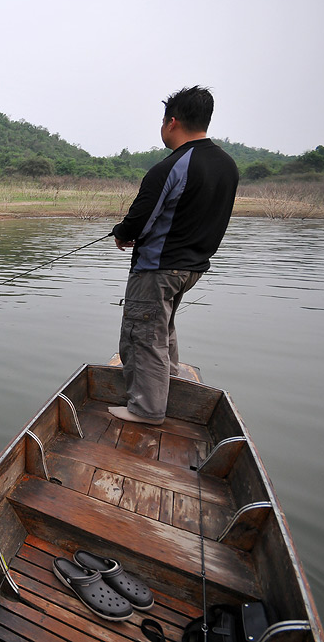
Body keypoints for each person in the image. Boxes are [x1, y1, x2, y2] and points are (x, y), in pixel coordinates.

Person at [108, 86, 239, 425]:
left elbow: (140, 218)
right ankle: (173, 386)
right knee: (162, 327)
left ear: (172, 122)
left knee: (143, 336)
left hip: (157, 268)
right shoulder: (227, 165)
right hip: (192, 268)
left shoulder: (169, 167)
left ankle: (146, 410)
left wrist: (122, 234)